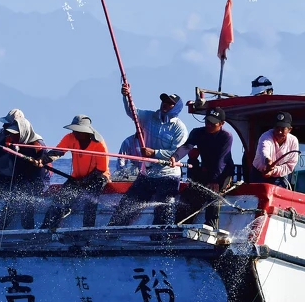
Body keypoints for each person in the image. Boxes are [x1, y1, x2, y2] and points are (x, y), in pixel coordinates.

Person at [107, 84, 188, 227]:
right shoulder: (148, 117)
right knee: (126, 206)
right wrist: (126, 96)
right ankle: (111, 233)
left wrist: (154, 153)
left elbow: (176, 153)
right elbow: (132, 112)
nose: (165, 104)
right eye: (164, 101)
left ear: (176, 108)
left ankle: (160, 240)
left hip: (168, 176)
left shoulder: (180, 128)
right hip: (146, 174)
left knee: (163, 211)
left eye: (170, 103)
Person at [41, 115, 110, 230]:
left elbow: (101, 169)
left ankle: (87, 231)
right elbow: (58, 152)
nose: (75, 133)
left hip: (97, 177)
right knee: (58, 201)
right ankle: (45, 229)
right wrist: (42, 160)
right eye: (74, 130)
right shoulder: (70, 137)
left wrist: (84, 181)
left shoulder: (99, 144)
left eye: (79, 131)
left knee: (90, 202)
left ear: (87, 131)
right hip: (77, 177)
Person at [172, 107, 234, 229]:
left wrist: (215, 180)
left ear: (222, 124)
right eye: (207, 122)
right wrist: (175, 157)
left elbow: (220, 161)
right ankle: (180, 226)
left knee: (213, 192)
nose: (209, 125)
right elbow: (187, 146)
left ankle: (211, 225)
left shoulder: (226, 136)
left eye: (213, 123)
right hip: (206, 171)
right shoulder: (197, 132)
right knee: (189, 193)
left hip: (222, 173)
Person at [250, 111, 299, 187]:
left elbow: (290, 165)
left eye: (283, 129)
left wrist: (273, 170)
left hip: (279, 176)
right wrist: (268, 161)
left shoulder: (293, 141)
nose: (279, 132)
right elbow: (264, 150)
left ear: (289, 129)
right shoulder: (265, 136)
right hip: (259, 174)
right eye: (277, 128)